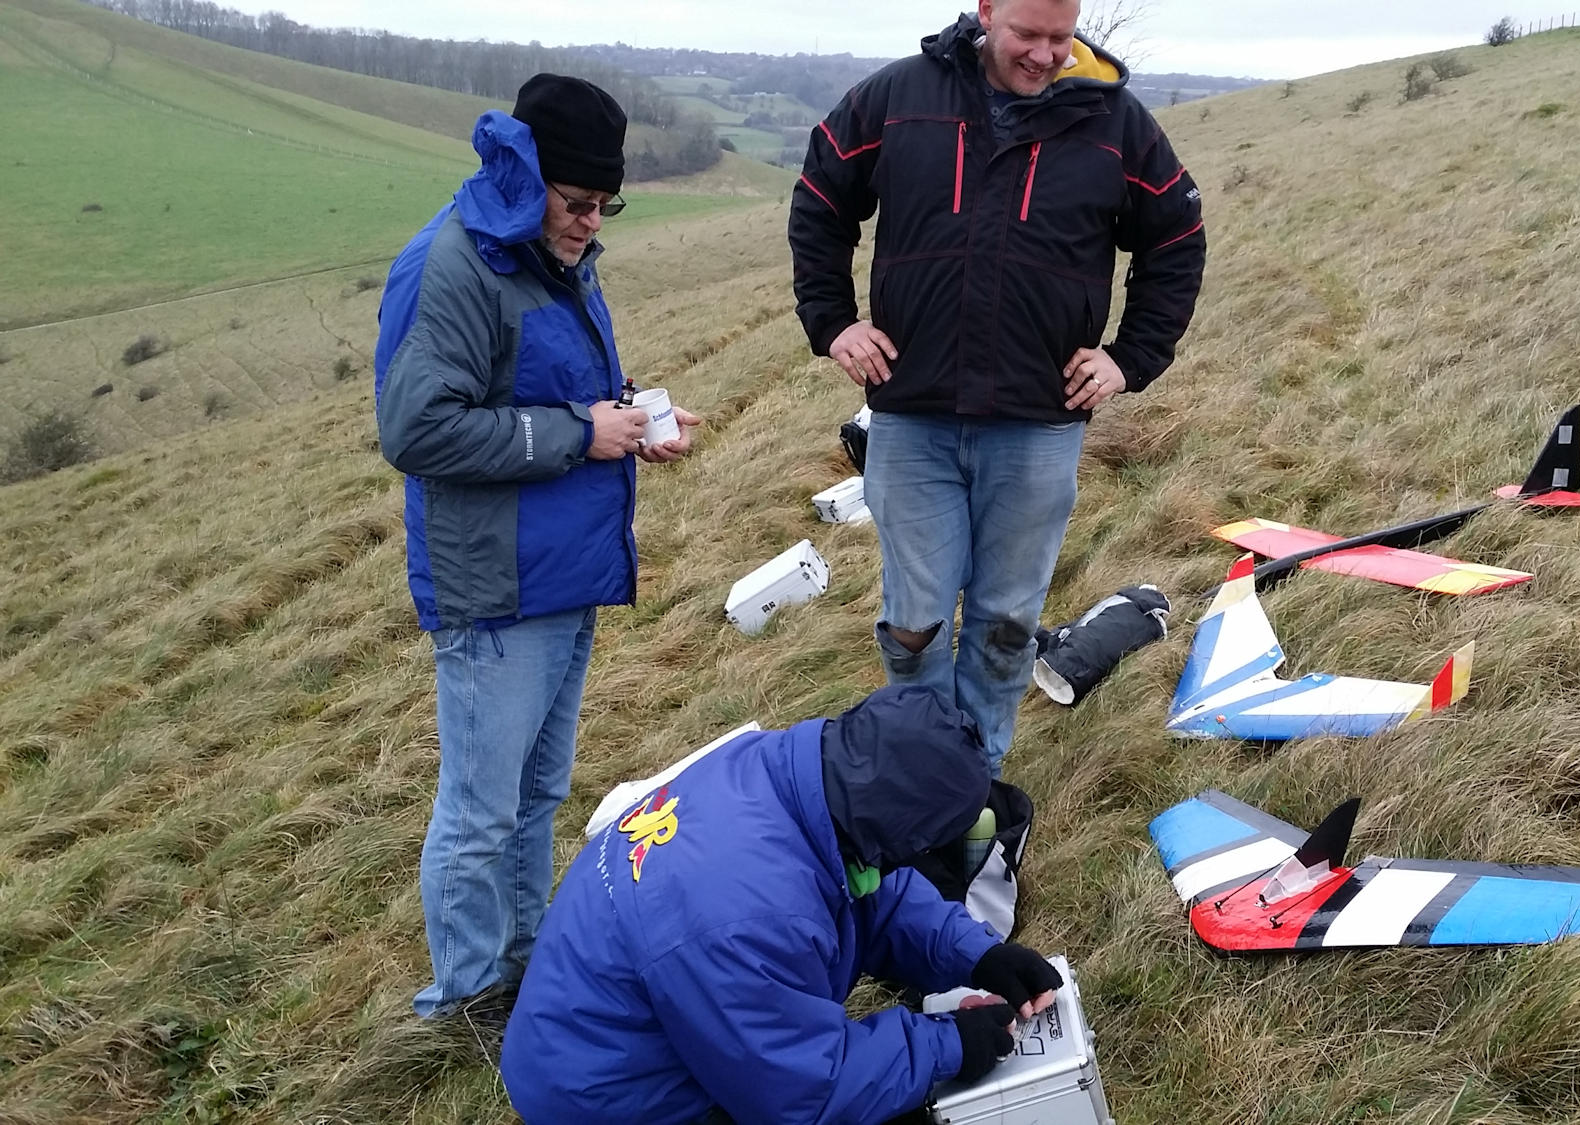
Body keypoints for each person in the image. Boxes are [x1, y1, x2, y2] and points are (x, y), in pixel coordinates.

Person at [789, 0, 1206, 774]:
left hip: (1039, 425)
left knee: (1007, 621)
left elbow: (1178, 237)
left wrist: (1130, 357)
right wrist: (833, 321)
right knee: (912, 621)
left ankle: (973, 778)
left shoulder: (1118, 124)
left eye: (1062, 36)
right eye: (1028, 35)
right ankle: (919, 768)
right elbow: (820, 197)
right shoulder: (899, 98)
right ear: (987, 12)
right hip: (912, 417)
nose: (1047, 54)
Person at [374, 72, 700, 1021]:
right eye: (580, 202)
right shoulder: (455, 267)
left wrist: (637, 416)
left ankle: (520, 967)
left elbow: (559, 380)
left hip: (563, 573)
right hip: (497, 588)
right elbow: (417, 430)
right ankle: (467, 998)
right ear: (530, 175)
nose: (594, 223)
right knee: (480, 811)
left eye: (608, 205)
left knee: (537, 794)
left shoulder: (552, 253)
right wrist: (577, 432)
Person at [499, 685, 1064, 1124]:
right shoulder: (746, 917)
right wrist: (949, 1046)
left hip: (606, 1015)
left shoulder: (787, 769)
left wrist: (976, 954)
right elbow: (803, 1096)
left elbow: (871, 890)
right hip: (603, 1096)